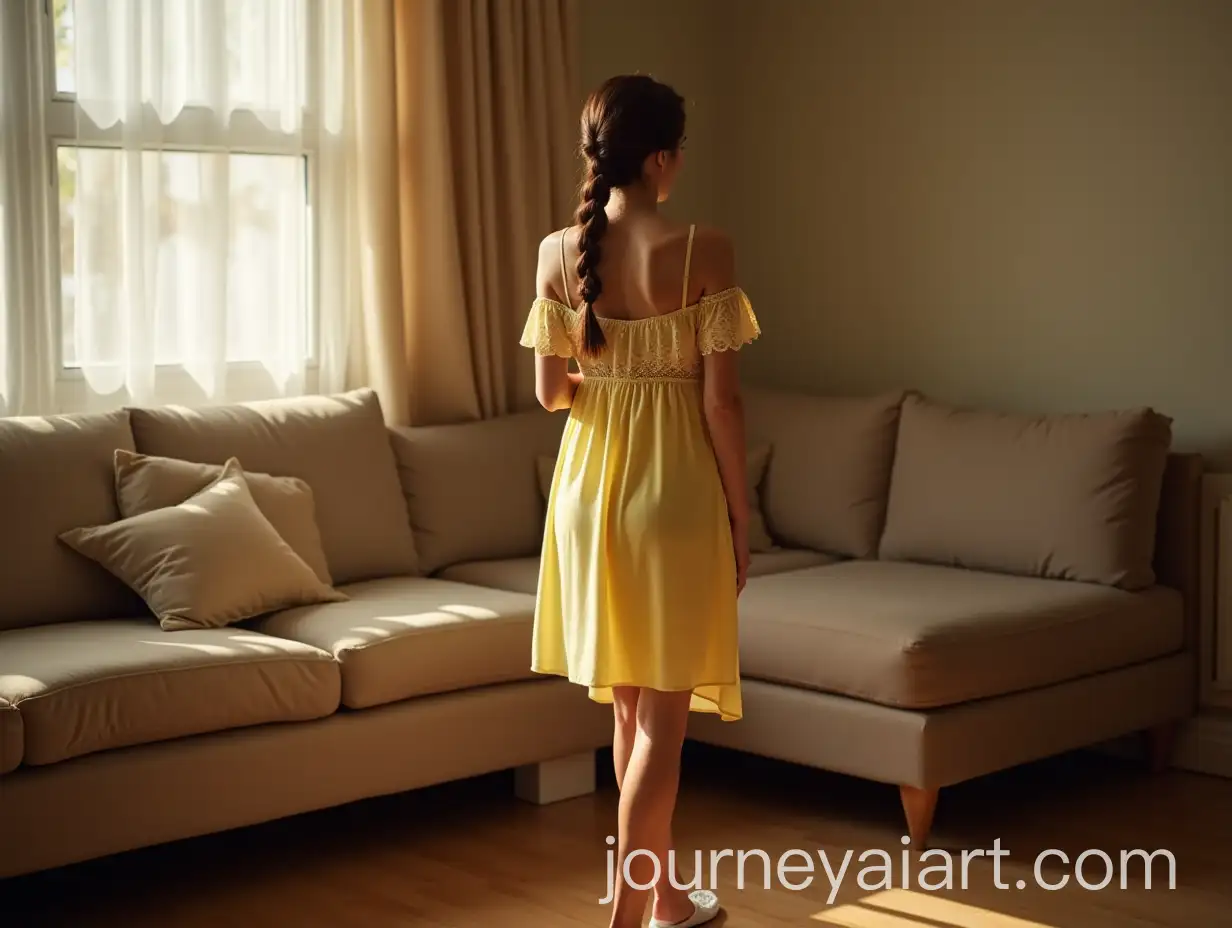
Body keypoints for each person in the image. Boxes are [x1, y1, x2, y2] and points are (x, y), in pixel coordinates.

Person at [520, 73, 759, 928]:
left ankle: (663, 901)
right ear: (661, 157)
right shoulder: (704, 249)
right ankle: (630, 918)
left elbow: (552, 394)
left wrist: (612, 379)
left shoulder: (557, 253)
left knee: (628, 709)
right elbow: (720, 405)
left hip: (586, 494)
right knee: (662, 723)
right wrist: (743, 516)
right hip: (672, 496)